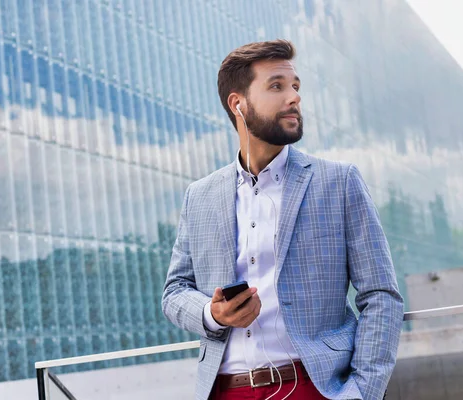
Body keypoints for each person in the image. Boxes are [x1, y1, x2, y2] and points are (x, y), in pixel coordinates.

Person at [162, 39, 403, 400]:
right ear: (237, 103)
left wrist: (362, 391)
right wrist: (214, 314)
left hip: (315, 386)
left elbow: (381, 295)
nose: (294, 97)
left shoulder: (339, 182)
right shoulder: (200, 196)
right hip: (227, 389)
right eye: (277, 86)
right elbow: (174, 292)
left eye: (295, 86)